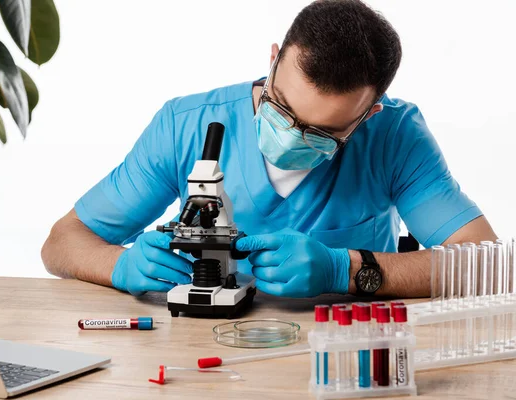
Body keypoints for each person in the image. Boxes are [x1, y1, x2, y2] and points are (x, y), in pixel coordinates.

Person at [42, 0, 496, 299]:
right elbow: (61, 243)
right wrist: (119, 264)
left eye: (321, 132)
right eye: (281, 109)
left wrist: (350, 269)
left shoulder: (395, 136)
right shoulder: (186, 124)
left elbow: (488, 264)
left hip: (345, 350)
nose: (292, 137)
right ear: (274, 57)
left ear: (369, 114)